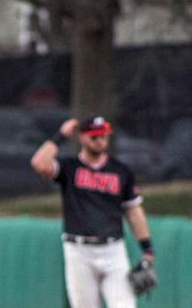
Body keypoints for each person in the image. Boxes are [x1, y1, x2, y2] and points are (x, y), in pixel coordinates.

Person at [30, 116, 154, 308]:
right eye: (94, 136)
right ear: (82, 137)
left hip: (113, 250)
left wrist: (147, 249)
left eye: (103, 136)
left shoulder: (120, 171)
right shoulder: (70, 168)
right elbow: (39, 163)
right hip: (79, 251)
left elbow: (133, 211)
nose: (100, 140)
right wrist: (61, 136)